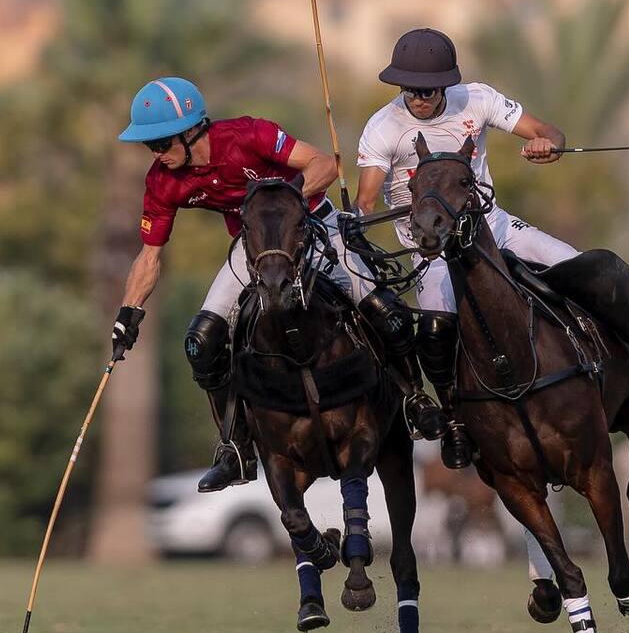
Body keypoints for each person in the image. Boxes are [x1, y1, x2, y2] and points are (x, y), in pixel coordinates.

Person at [351, 28, 629, 470]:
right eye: (408, 89)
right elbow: (366, 200)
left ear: (446, 85)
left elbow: (546, 129)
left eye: (427, 90)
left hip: (493, 228)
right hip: (431, 249)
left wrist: (546, 144)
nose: (417, 99)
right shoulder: (384, 127)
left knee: (580, 265)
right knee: (436, 328)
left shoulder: (476, 99)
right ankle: (454, 419)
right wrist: (359, 222)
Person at [111, 76, 446, 493]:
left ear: (191, 130)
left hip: (312, 224)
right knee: (201, 340)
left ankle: (415, 398)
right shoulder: (163, 180)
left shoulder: (249, 135)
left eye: (161, 144)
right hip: (253, 248)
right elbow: (149, 256)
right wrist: (129, 314)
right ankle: (235, 448)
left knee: (384, 310)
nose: (156, 155)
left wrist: (285, 204)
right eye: (150, 147)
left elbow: (324, 164)